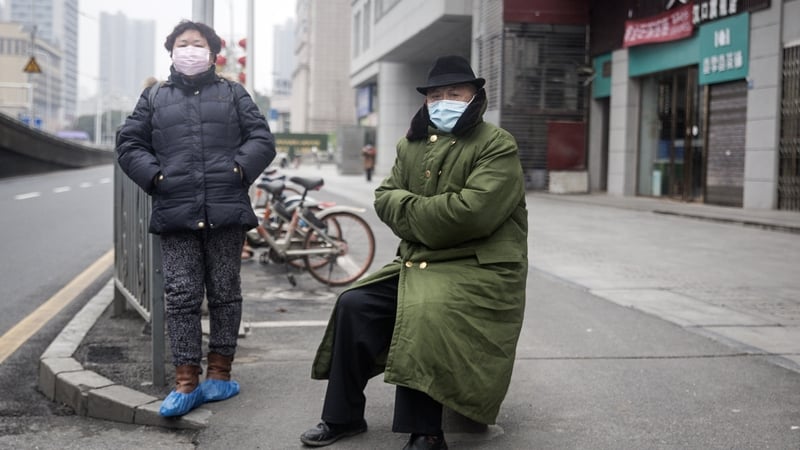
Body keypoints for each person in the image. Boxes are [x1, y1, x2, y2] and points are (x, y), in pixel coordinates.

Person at [300, 55, 528, 449]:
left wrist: (412, 212)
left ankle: (425, 432)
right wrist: (424, 213)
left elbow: (471, 215)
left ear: (475, 96)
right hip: (420, 261)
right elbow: (384, 197)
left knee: (423, 311)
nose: (443, 101)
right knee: (354, 302)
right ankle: (342, 416)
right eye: (435, 95)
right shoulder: (411, 145)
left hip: (479, 267)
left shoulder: (496, 144)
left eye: (454, 93)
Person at [116, 20, 275, 417]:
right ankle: (186, 381)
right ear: (171, 51)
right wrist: (155, 176)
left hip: (226, 210)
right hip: (177, 211)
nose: (190, 49)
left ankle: (220, 375)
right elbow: (129, 141)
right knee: (182, 296)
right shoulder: (153, 98)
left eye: (197, 44)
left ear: (213, 51)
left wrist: (239, 170)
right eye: (182, 44)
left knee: (224, 293)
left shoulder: (233, 93)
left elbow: (261, 138)